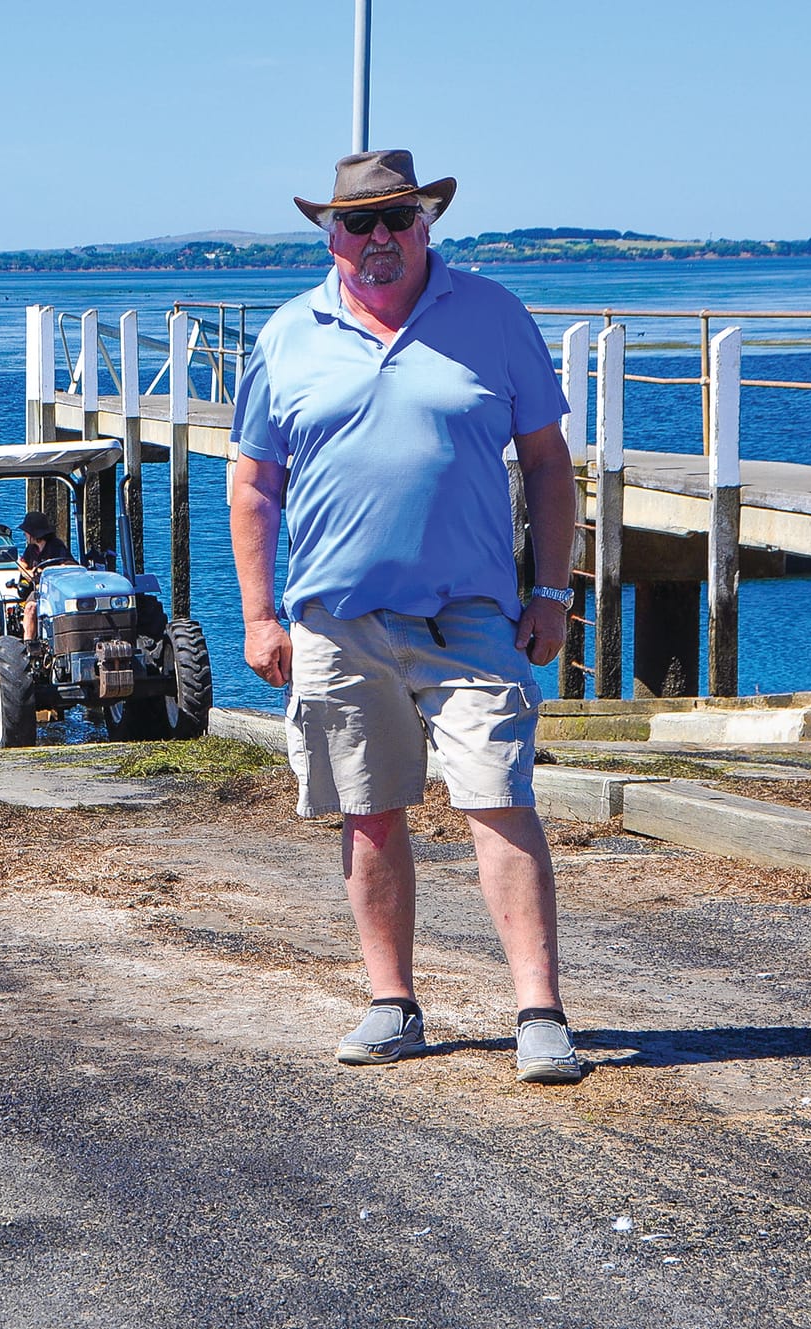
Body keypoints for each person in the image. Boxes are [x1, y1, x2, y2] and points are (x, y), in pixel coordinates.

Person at [228, 149, 584, 1085]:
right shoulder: (286, 335)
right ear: (330, 234)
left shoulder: (493, 316)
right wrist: (261, 615)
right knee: (370, 810)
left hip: (474, 620)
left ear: (427, 224)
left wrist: (551, 590)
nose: (380, 239)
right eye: (360, 222)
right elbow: (255, 482)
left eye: (399, 219)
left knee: (500, 799)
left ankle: (539, 1013)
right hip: (338, 623)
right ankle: (393, 1003)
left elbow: (548, 464)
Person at [14, 511, 73, 642]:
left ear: (33, 533)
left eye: (27, 532)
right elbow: (21, 563)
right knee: (30, 608)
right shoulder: (31, 548)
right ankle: (28, 643)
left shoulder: (56, 546)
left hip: (55, 590)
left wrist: (48, 571)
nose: (25, 535)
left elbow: (69, 563)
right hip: (39, 589)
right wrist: (29, 573)